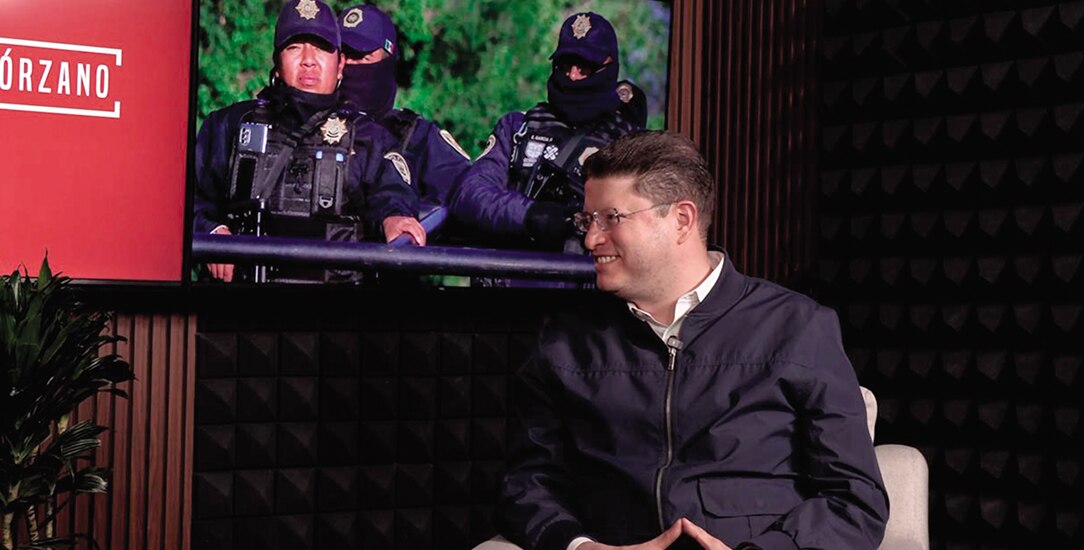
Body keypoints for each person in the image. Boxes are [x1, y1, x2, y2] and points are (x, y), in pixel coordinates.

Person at [494, 132, 889, 550]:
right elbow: (525, 487)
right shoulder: (565, 342)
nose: (591, 239)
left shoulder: (797, 327)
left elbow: (854, 500)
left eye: (611, 218)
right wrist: (582, 547)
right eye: (587, 220)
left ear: (681, 219)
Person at [193, 0, 426, 283]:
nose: (308, 60)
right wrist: (213, 233)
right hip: (240, 312)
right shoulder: (229, 126)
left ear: (340, 64)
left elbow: (391, 195)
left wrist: (396, 218)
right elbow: (185, 201)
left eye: (321, 47)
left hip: (335, 318)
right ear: (276, 63)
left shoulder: (371, 137)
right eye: (294, 47)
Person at [450, 12, 647, 251]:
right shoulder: (517, 127)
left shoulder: (629, 145)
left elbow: (641, 223)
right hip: (509, 272)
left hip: (585, 277)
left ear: (608, 67)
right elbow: (469, 195)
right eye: (566, 64)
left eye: (585, 67)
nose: (573, 75)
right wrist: (531, 215)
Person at [338, 3, 470, 216]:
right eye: (343, 57)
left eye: (361, 57)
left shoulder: (419, 138)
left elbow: (469, 195)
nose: (349, 65)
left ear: (388, 60)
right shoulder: (312, 127)